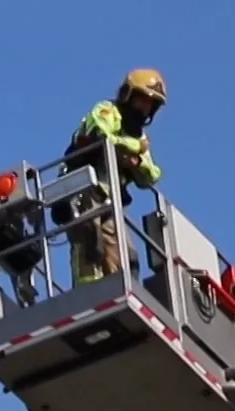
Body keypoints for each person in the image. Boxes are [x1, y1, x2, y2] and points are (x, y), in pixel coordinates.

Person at [64, 69, 166, 286]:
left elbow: (151, 175)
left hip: (111, 201)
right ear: (128, 95)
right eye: (143, 99)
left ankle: (120, 289)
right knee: (89, 240)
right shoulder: (107, 110)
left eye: (151, 104)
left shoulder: (139, 135)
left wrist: (136, 162)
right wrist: (133, 148)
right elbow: (101, 136)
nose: (145, 107)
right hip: (83, 188)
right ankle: (87, 292)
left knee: (127, 258)